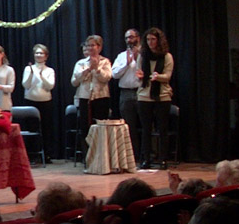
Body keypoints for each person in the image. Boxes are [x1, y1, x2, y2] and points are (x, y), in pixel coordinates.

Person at [135, 28, 173, 169]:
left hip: (162, 96)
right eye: (148, 39)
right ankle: (146, 159)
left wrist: (158, 77)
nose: (150, 42)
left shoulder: (166, 56)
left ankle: (163, 158)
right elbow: (139, 74)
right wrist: (140, 77)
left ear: (159, 41)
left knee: (162, 128)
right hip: (144, 95)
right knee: (146, 129)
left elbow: (167, 76)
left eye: (153, 39)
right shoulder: (142, 56)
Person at [71, 35, 112, 155]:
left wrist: (97, 69)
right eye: (88, 45)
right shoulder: (81, 63)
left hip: (101, 97)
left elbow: (107, 78)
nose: (90, 48)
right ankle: (88, 157)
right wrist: (87, 70)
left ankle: (102, 156)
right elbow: (74, 82)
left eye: (92, 45)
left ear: (99, 47)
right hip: (85, 98)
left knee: (100, 127)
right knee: (86, 128)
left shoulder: (105, 61)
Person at [21, 44, 56, 161]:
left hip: (46, 101)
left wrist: (41, 75)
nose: (38, 55)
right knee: (31, 129)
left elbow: (50, 86)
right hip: (31, 101)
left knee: (46, 129)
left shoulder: (50, 70)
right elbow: (25, 85)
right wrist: (31, 74)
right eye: (37, 53)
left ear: (46, 56)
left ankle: (47, 154)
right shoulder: (28, 69)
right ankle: (32, 154)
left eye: (41, 53)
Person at [111, 29, 142, 161]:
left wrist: (137, 58)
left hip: (142, 92)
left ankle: (148, 155)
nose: (129, 40)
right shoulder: (121, 56)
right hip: (126, 93)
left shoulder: (145, 54)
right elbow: (115, 74)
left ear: (138, 38)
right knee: (129, 126)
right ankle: (133, 156)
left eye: (131, 37)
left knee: (146, 125)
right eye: (127, 38)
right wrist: (127, 63)